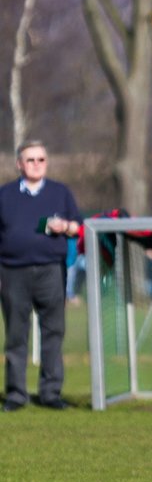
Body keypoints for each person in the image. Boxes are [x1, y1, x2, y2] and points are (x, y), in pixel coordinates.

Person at [0, 140, 83, 412]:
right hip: (13, 271)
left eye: (41, 160)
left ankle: (50, 393)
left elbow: (79, 227)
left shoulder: (61, 193)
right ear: (19, 164)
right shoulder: (5, 195)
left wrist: (66, 226)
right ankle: (15, 394)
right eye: (30, 160)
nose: (36, 165)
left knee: (53, 331)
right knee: (15, 334)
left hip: (51, 269)